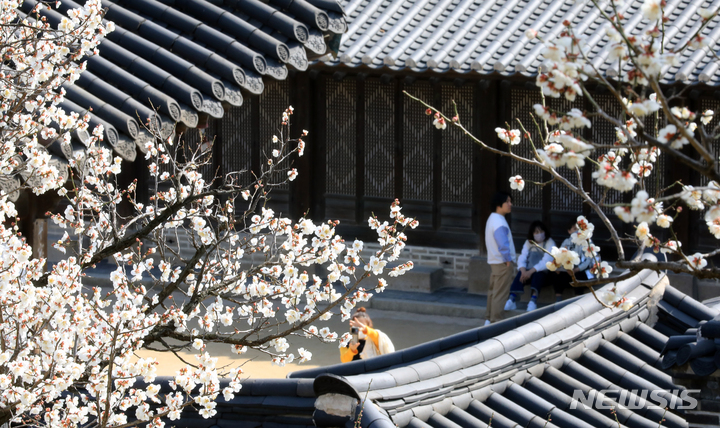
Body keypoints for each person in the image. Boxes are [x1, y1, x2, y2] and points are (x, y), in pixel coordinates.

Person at [504, 221, 555, 312]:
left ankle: (533, 301)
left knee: (538, 275)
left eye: (541, 231)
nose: (539, 234)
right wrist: (523, 270)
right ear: (532, 234)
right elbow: (522, 257)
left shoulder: (549, 242)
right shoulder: (528, 243)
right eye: (536, 232)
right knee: (520, 274)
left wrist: (531, 271)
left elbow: (547, 261)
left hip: (544, 272)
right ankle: (512, 299)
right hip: (527, 271)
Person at [484, 191, 516, 325]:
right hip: (503, 262)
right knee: (500, 293)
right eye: (507, 201)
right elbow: (502, 243)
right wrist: (508, 259)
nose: (510, 204)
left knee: (493, 291)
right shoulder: (499, 221)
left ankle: (489, 318)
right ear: (499, 204)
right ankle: (496, 321)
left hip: (495, 261)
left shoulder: (493, 218)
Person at [549, 219, 595, 301]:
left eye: (579, 229)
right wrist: (560, 267)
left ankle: (577, 301)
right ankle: (558, 300)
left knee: (578, 277)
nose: (577, 231)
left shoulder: (587, 242)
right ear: (569, 231)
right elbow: (560, 255)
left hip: (580, 271)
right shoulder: (566, 242)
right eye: (574, 229)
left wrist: (577, 269)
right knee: (556, 274)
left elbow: (588, 260)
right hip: (567, 271)